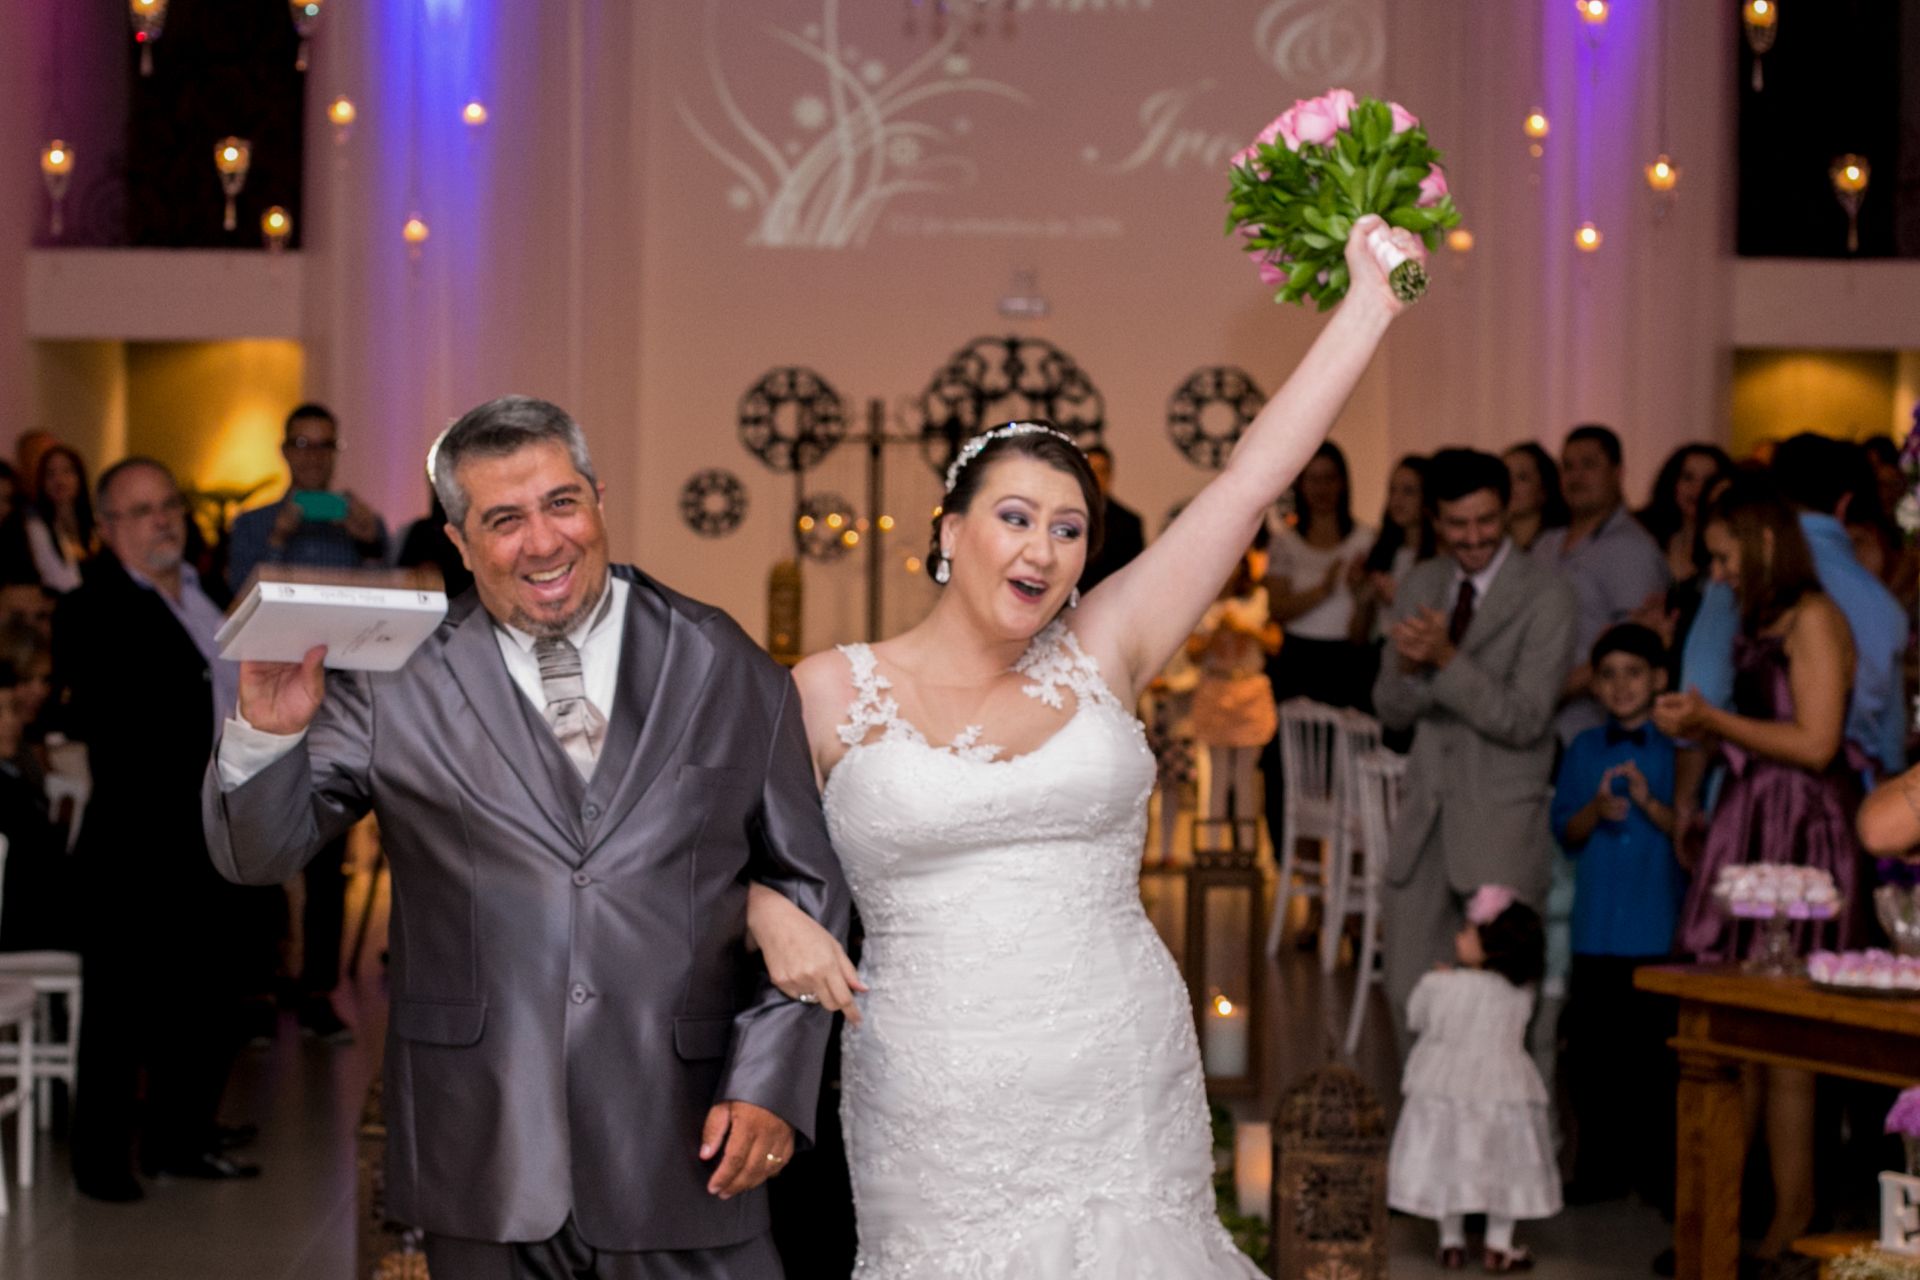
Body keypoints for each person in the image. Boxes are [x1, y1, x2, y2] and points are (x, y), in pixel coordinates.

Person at [736, 218, 1418, 1274]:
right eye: (1015, 516)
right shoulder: (830, 689)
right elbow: (692, 845)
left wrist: (1368, 304)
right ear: (949, 528)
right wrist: (766, 904)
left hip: (1117, 1058)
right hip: (934, 1085)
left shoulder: (1105, 648)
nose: (1045, 548)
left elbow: (1244, 485)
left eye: (1069, 528)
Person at [206, 396, 850, 1277]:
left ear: (599, 499)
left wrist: (770, 1084)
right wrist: (268, 734)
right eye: (504, 520)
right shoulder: (396, 680)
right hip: (485, 1144)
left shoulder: (721, 660)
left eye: (561, 504)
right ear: (459, 542)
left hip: (689, 1139)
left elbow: (808, 884)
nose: (543, 543)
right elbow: (257, 855)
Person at [1654, 475, 1860, 1261]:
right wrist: (1701, 734)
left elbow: (1816, 743)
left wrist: (1713, 719)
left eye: (1722, 554)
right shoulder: (1765, 614)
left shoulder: (1812, 618)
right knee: (1734, 1030)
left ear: (1760, 540)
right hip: (1753, 815)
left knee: (1786, 1038)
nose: (1718, 572)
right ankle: (1723, 1220)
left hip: (1800, 827)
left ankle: (1789, 1226)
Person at [58, 458, 257, 1201]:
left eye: (168, 504)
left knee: (208, 996)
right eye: (141, 511)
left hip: (220, 826)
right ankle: (100, 1161)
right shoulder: (92, 608)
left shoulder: (207, 596)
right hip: (138, 841)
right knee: (120, 1008)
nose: (163, 519)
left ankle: (184, 1138)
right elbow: (114, 717)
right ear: (108, 528)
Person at [1371, 448, 1577, 1046]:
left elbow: (1527, 718)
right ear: (1436, 521)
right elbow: (1389, 707)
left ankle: (1519, 1142)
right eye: (1457, 525)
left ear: (1508, 509)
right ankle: (1426, 1139)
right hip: (1423, 824)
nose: (1474, 537)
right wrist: (1410, 673)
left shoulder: (1547, 595)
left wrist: (1445, 661)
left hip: (1500, 828)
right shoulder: (1423, 582)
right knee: (1409, 994)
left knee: (1506, 1015)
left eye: (1487, 520)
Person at [225, 402, 392, 1044]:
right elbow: (236, 605)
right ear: (285, 450)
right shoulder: (254, 524)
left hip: (341, 704)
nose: (315, 455)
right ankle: (261, 986)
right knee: (262, 841)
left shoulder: (360, 525)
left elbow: (384, 608)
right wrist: (277, 539)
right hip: (269, 700)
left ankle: (320, 989)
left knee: (328, 855)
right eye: (304, 443)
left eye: (326, 445)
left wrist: (373, 542)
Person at [1677, 435, 1907, 843]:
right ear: (1844, 504)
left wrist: (1685, 803)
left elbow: (1704, 689)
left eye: (1721, 560)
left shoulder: (1759, 588)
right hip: (1852, 804)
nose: (1717, 573)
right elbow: (1889, 747)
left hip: (1782, 804)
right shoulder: (1883, 603)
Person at [1549, 623, 1684, 1207]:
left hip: (1657, 929)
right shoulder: (1583, 749)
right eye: (1608, 674)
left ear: (1659, 679)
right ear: (1594, 685)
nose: (1621, 685)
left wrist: (1650, 803)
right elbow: (1565, 829)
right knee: (1593, 1058)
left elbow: (1692, 834)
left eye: (1634, 673)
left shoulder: (1679, 750)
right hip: (1597, 929)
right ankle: (1598, 1169)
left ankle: (1658, 1174)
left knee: (1655, 1061)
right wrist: (1596, 809)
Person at [1387, 887, 1560, 1272]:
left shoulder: (1440, 985)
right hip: (1502, 1088)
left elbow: (1416, 1017)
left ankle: (1450, 1242)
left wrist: (1440, 982)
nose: (1458, 937)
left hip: (1447, 1089)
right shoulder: (1520, 993)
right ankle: (1499, 1245)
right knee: (1504, 1166)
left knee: (1448, 1163)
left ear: (1491, 946)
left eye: (1467, 931)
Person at [1531, 425, 1670, 744]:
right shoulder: (1546, 544)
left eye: (1589, 465)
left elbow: (1634, 644)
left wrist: (1551, 693)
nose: (1576, 476)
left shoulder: (1631, 549)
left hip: (1595, 730)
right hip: (1537, 730)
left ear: (1618, 472)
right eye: (1568, 466)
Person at [1266, 440, 1376, 707]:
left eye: (1329, 478)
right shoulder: (1285, 543)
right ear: (1300, 485)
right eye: (1313, 479)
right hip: (1299, 658)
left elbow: (1366, 627)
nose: (1321, 489)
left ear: (1342, 483)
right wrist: (1322, 590)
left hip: (1349, 661)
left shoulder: (1366, 539)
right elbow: (1276, 609)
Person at [1187, 544, 1279, 847]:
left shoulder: (1258, 600)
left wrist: (1243, 628)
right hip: (1215, 688)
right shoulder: (1204, 604)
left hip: (1248, 690)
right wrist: (1216, 632)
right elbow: (1193, 653)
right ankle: (1211, 848)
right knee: (1215, 775)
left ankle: (1248, 849)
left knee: (1245, 777)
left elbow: (1274, 643)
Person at [24, 444, 94, 593]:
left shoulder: (96, 525)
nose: (59, 479)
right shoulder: (36, 527)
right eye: (50, 473)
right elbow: (60, 580)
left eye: (67, 471)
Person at [1077, 443, 1146, 592]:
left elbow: (1133, 576)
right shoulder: (1062, 514)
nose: (1096, 477)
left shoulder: (1129, 523)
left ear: (1110, 475)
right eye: (1092, 470)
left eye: (1102, 471)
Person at [1501, 442, 1570, 553]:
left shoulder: (1562, 544)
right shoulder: (1489, 544)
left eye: (1522, 477)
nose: (1510, 484)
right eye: (1504, 477)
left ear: (1544, 487)